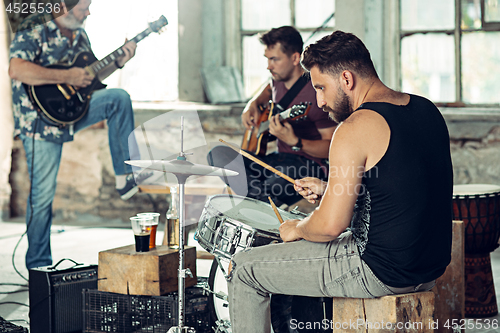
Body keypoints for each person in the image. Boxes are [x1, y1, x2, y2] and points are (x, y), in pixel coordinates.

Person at [226, 30, 453, 332]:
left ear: (346, 79)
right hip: (428, 267)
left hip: (378, 270)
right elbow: (403, 189)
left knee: (243, 268)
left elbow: (330, 227)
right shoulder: (426, 109)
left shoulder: (354, 127)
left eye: (320, 87)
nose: (319, 101)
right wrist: (331, 189)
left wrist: (299, 228)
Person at [9, 0, 149, 270]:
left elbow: (89, 77)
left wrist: (119, 61)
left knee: (118, 98)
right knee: (42, 199)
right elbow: (17, 69)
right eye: (83, 7)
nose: (88, 12)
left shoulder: (81, 34)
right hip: (40, 123)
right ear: (63, 6)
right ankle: (39, 268)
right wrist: (65, 76)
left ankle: (124, 174)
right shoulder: (34, 26)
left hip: (73, 110)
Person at [207, 26, 337, 207]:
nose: (269, 66)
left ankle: (257, 202)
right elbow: (268, 88)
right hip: (276, 160)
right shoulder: (277, 79)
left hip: (307, 166)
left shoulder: (316, 92)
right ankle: (263, 203)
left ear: (295, 58)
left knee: (269, 186)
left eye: (275, 59)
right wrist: (252, 104)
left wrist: (296, 142)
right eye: (267, 59)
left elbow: (331, 148)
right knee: (217, 154)